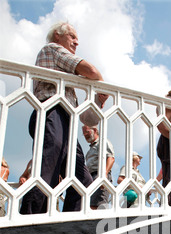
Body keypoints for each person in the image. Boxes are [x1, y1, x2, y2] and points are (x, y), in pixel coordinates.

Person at [20, 21, 107, 215]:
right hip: (50, 112)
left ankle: (70, 222)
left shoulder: (66, 82)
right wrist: (100, 82)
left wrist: (98, 101)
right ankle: (29, 219)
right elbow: (91, 71)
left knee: (81, 180)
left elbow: (88, 120)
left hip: (65, 120)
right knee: (47, 170)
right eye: (72, 37)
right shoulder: (52, 49)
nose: (77, 42)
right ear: (58, 36)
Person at [82, 125, 115, 209]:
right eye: (83, 134)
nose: (85, 135)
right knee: (90, 205)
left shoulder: (103, 142)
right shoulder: (90, 150)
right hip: (90, 177)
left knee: (98, 204)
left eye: (87, 132)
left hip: (99, 175)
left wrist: (104, 174)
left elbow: (110, 158)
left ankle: (100, 222)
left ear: (95, 130)